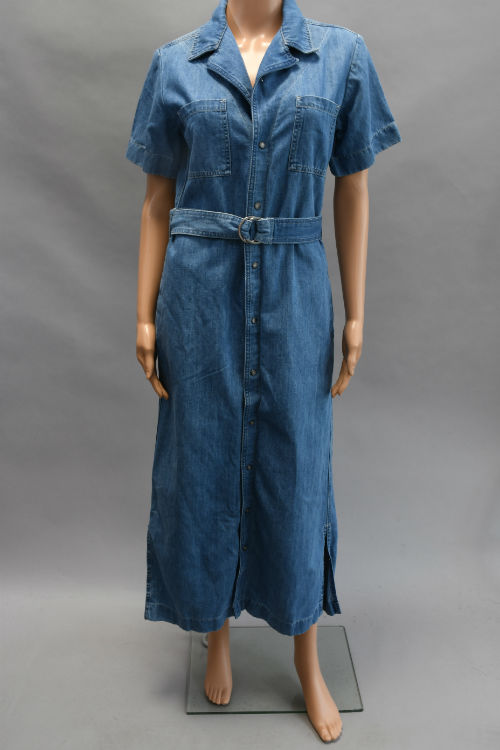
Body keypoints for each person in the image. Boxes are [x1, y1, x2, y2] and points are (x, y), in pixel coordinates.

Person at [125, 0, 401, 742]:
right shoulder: (175, 63)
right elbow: (156, 200)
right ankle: (214, 632)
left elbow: (354, 187)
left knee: (297, 470)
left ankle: (306, 656)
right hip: (199, 292)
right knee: (204, 461)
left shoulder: (341, 57)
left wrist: (356, 314)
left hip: (294, 290)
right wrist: (144, 315)